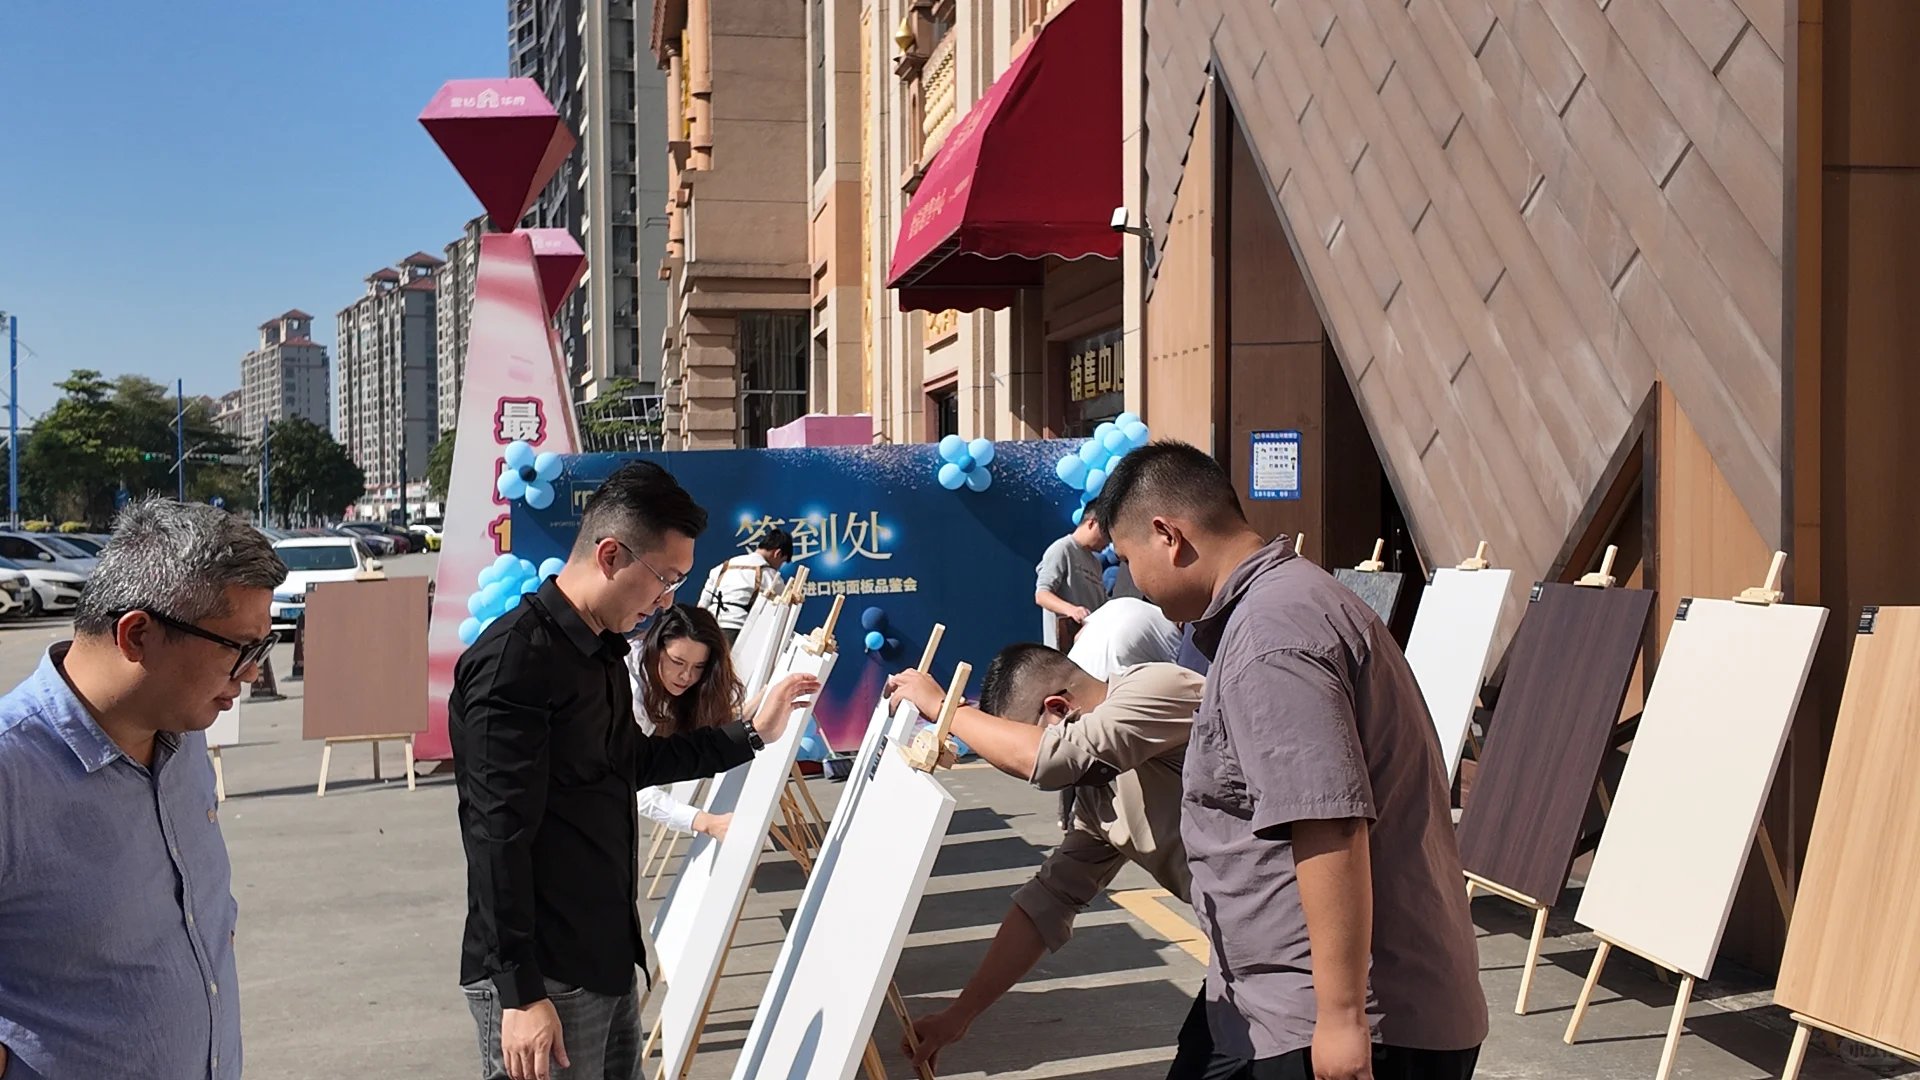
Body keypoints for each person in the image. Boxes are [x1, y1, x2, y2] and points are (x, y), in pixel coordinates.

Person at [1093, 442, 1486, 1080]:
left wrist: (1340, 1019)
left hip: (1334, 1016)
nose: (1130, 581)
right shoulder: (1288, 604)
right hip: (1283, 1001)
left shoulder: (1273, 635)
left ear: (1168, 535)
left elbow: (1328, 822)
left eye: (1130, 559)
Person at [451, 462, 821, 1080]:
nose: (669, 598)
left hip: (607, 953)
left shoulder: (600, 651)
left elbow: (633, 761)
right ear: (610, 554)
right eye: (666, 578)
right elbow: (495, 835)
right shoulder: (516, 661)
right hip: (547, 974)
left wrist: (751, 732)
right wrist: (519, 991)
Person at [0, 499, 286, 1079]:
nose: (253, 673)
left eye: (263, 647)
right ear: (136, 636)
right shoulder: (12, 771)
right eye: (239, 649)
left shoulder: (182, 732)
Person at [885, 646, 1202, 1071]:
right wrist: (959, 1015)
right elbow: (1046, 904)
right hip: (1248, 951)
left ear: (1057, 708)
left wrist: (943, 708)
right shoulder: (1096, 794)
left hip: (1299, 936)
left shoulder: (1156, 688)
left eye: (1028, 735)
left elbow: (1052, 758)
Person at [628, 604, 817, 844]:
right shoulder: (631, 690)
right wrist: (702, 821)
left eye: (698, 667)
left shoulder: (660, 679)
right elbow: (630, 777)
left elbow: (694, 737)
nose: (687, 676)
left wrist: (743, 718)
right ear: (656, 648)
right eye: (678, 661)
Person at [696, 528, 793, 644]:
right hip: (741, 632)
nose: (779, 566)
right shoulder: (770, 576)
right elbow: (785, 606)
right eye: (782, 562)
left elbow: (703, 604)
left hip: (710, 629)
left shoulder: (723, 567)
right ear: (777, 553)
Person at [1064, 594, 1181, 681]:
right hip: (1104, 691)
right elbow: (1186, 674)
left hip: (1070, 679)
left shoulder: (1121, 603)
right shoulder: (1168, 631)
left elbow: (1078, 636)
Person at [1034, 514, 1108, 648]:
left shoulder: (1096, 564)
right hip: (1063, 654)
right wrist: (1071, 610)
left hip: (1089, 649)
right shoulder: (1062, 548)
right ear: (1092, 523)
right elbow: (1041, 595)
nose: (1109, 542)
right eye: (1107, 534)